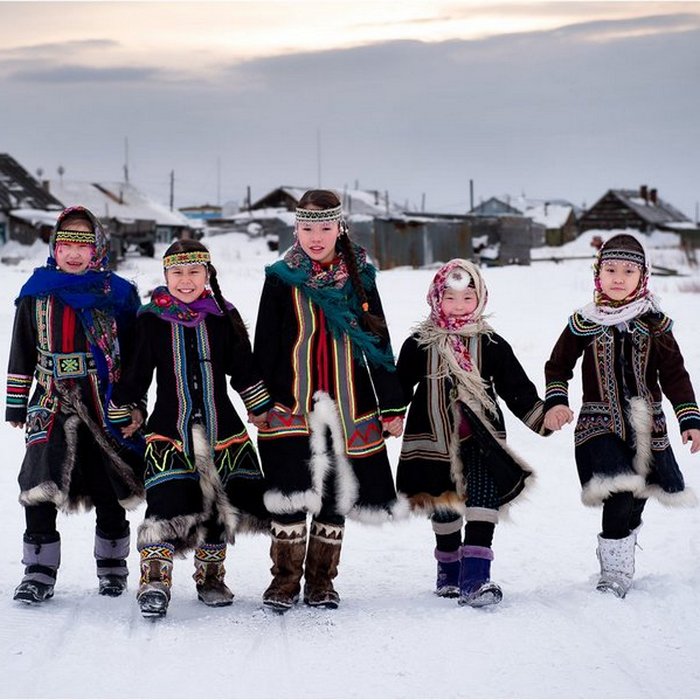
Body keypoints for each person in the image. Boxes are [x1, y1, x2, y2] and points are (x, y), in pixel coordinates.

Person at [253, 189, 406, 611]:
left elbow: (378, 341)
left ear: (339, 227)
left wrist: (391, 406)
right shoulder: (282, 277)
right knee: (289, 493)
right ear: (295, 229)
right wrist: (260, 401)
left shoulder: (360, 278)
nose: (316, 237)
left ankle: (321, 581)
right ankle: (284, 581)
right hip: (291, 405)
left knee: (336, 495)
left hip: (347, 407)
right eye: (307, 228)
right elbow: (264, 343)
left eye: (324, 227)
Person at [109, 239, 272, 617]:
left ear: (207, 274)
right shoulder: (151, 319)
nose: (186, 280)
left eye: (194, 272)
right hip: (170, 431)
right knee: (165, 503)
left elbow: (243, 368)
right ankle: (154, 582)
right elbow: (135, 373)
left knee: (217, 505)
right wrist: (124, 410)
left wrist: (259, 407)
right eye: (177, 273)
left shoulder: (221, 316)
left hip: (222, 431)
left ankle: (211, 577)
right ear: (165, 276)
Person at [544, 233, 700, 598]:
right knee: (618, 490)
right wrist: (557, 400)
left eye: (628, 271)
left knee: (639, 493)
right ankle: (613, 572)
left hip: (648, 426)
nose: (618, 278)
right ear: (598, 274)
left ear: (642, 277)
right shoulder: (584, 321)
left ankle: (622, 543)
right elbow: (558, 365)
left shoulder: (656, 325)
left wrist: (690, 419)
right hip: (600, 424)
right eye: (610, 269)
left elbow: (675, 375)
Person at [6, 205, 144, 604]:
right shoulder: (37, 293)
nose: (73, 253)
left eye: (83, 244)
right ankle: (39, 570)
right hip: (50, 397)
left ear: (97, 247)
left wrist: (134, 403)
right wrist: (17, 405)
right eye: (65, 243)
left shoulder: (117, 293)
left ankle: (113, 567)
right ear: (54, 246)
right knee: (39, 483)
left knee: (109, 482)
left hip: (104, 399)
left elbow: (135, 356)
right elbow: (22, 350)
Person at [396, 259, 549, 607]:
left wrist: (543, 415)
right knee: (444, 505)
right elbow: (400, 387)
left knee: (483, 500)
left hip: (482, 441)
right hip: (432, 439)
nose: (460, 306)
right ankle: (448, 570)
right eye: (450, 299)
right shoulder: (419, 343)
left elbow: (516, 389)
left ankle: (476, 578)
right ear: (436, 299)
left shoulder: (491, 344)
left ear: (480, 298)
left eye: (468, 298)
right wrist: (388, 416)